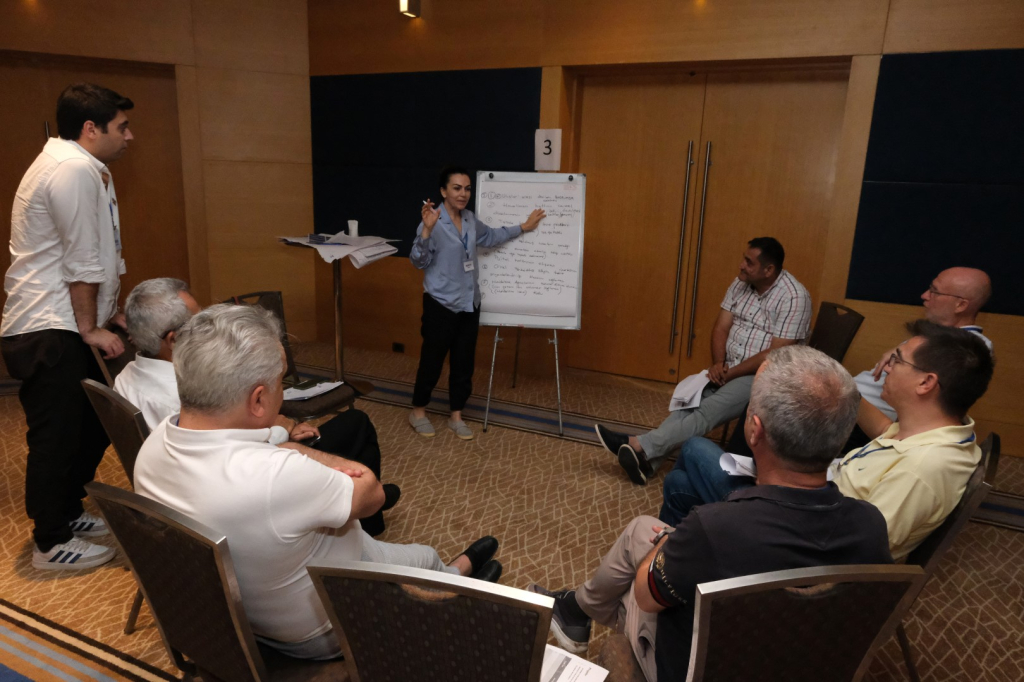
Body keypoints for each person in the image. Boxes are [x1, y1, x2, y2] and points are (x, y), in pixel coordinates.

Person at [133, 304, 503, 660]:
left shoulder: (152, 446)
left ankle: (453, 577)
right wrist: (292, 447)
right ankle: (455, 590)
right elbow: (371, 493)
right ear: (258, 400)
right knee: (425, 557)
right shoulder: (277, 474)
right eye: (280, 382)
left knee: (401, 553)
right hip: (321, 628)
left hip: (239, 610)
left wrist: (279, 441)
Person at [530, 346, 892, 681]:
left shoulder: (716, 527)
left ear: (754, 430)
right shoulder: (870, 525)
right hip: (801, 663)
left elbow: (645, 595)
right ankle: (576, 608)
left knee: (633, 568)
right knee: (643, 529)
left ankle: (578, 608)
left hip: (698, 669)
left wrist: (670, 543)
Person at [661, 320, 993, 561]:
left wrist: (773, 485)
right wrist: (828, 379)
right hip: (814, 503)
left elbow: (857, 552)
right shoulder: (931, 432)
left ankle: (682, 565)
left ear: (926, 383)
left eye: (897, 359)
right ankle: (677, 562)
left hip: (797, 535)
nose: (887, 367)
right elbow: (882, 430)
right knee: (679, 485)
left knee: (694, 449)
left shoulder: (923, 468)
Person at [115, 278, 401, 536]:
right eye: (198, 322)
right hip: (240, 485)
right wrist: (283, 430)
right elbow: (233, 450)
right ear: (174, 339)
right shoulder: (181, 393)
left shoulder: (126, 377)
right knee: (356, 424)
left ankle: (364, 513)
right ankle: (367, 514)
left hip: (187, 487)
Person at [1, 83, 134, 570]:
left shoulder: (83, 166)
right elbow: (80, 258)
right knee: (56, 436)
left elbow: (98, 249)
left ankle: (67, 509)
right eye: (122, 126)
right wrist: (89, 327)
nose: (130, 136)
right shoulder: (71, 169)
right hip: (50, 326)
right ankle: (50, 542)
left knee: (94, 425)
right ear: (91, 128)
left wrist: (108, 314)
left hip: (68, 322)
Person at [595, 237, 812, 485]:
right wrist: (719, 364)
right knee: (688, 404)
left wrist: (731, 373)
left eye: (749, 262)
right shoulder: (741, 283)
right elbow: (721, 327)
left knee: (708, 410)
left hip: (765, 376)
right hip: (730, 366)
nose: (741, 265)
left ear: (769, 270)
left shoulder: (794, 297)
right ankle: (647, 462)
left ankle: (637, 444)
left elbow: (775, 353)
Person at [408, 166, 545, 440]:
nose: (463, 194)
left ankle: (456, 415)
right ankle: (418, 411)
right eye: (457, 188)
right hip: (441, 304)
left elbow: (491, 236)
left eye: (467, 188)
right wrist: (426, 231)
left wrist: (523, 227)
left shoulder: (470, 219)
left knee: (463, 363)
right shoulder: (432, 222)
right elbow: (418, 261)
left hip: (470, 304)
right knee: (432, 362)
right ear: (443, 191)